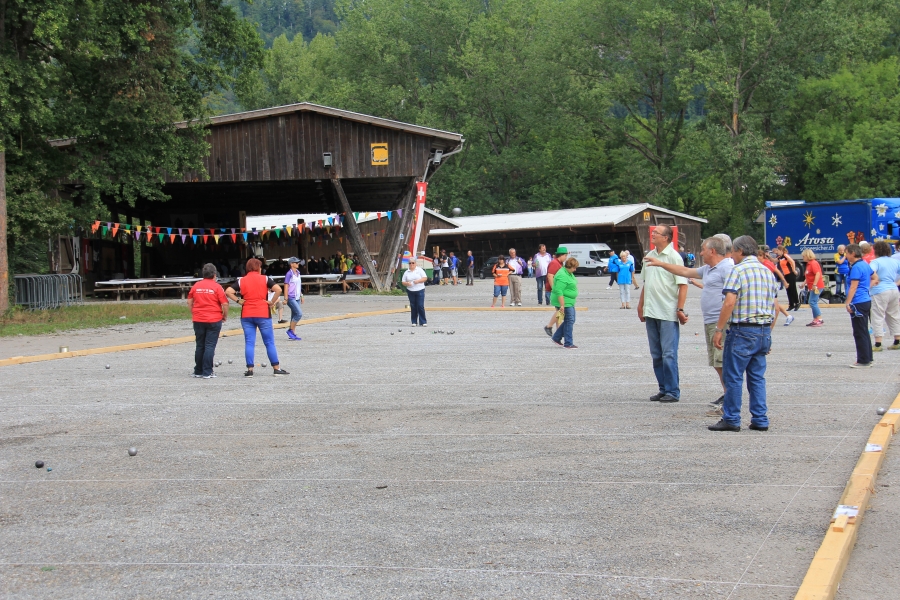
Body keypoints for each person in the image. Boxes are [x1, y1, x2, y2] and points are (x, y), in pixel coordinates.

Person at [644, 236, 733, 411]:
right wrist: (661, 264)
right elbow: (684, 272)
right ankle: (727, 393)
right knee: (717, 362)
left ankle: (730, 397)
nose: (700, 253)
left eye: (703, 250)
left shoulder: (727, 267)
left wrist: (721, 326)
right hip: (711, 321)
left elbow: (732, 297)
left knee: (722, 360)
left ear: (712, 251)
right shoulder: (709, 268)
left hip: (721, 321)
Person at [709, 235, 777, 432]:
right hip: (763, 329)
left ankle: (731, 417)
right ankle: (760, 418)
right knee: (757, 377)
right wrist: (768, 333)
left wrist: (719, 329)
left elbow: (729, 302)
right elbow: (774, 306)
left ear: (739, 251)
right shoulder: (767, 271)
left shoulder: (737, 271)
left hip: (742, 329)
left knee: (734, 376)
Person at [637, 225, 688, 403]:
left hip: (667, 311)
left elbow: (683, 285)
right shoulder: (649, 256)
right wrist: (641, 304)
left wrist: (680, 309)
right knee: (656, 354)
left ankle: (673, 391)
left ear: (666, 238)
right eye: (653, 232)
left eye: (656, 233)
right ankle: (663, 388)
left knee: (669, 354)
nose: (653, 234)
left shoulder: (674, 257)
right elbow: (646, 282)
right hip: (651, 310)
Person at [224, 258, 289, 378]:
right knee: (269, 342)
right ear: (258, 268)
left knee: (249, 342)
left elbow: (228, 291)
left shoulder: (241, 280)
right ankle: (276, 368)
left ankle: (250, 370)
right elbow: (278, 289)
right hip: (263, 313)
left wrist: (238, 300)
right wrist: (271, 302)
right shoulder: (264, 279)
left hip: (247, 314)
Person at [187, 263, 228, 379]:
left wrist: (193, 312)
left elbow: (189, 301)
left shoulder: (196, 286)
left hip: (198, 318)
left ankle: (198, 370)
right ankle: (207, 371)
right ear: (215, 275)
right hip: (214, 319)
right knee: (210, 345)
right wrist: (224, 315)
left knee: (200, 345)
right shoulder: (217, 287)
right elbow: (225, 304)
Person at [845, 244, 876, 368]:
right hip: (865, 300)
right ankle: (868, 357)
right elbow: (875, 277)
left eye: (847, 253)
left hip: (858, 302)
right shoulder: (865, 264)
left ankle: (863, 360)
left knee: (859, 331)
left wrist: (848, 302)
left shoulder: (856, 267)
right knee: (864, 330)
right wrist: (867, 288)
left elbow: (853, 286)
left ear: (853, 253)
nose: (846, 256)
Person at [869, 241, 900, 352]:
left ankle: (878, 343)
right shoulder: (894, 261)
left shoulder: (875, 262)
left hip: (880, 290)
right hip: (893, 289)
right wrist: (896, 283)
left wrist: (875, 280)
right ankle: (897, 340)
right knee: (894, 315)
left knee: (877, 315)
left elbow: (871, 272)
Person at [550, 257, 579, 349]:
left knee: (570, 320)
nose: (575, 269)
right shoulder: (562, 275)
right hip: (565, 302)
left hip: (569, 301)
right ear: (569, 266)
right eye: (574, 268)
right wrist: (562, 305)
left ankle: (556, 337)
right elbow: (559, 291)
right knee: (569, 321)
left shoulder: (568, 273)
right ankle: (568, 343)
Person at [758, 249, 792, 325]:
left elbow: (777, 271)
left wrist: (784, 282)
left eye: (759, 256)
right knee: (774, 304)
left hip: (770, 286)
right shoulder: (761, 264)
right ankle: (788, 316)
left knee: (775, 307)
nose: (758, 258)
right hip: (766, 286)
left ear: (762, 256)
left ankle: (771, 325)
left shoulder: (767, 264)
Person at [543, 247, 568, 335]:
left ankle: (558, 331)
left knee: (560, 311)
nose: (566, 257)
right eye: (565, 255)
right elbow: (550, 276)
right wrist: (554, 289)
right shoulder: (554, 263)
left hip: (557, 290)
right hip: (555, 290)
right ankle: (549, 326)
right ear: (561, 255)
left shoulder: (560, 263)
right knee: (560, 310)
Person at [801, 249, 825, 327]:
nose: (802, 257)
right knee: (812, 302)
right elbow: (808, 276)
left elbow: (818, 274)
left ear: (808, 256)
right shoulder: (809, 264)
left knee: (812, 302)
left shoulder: (813, 263)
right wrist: (804, 283)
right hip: (812, 286)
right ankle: (815, 319)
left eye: (803, 256)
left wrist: (814, 284)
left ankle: (819, 318)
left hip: (816, 286)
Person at [401, 256, 428, 326]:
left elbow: (425, 278)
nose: (411, 264)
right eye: (410, 263)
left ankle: (423, 321)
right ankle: (414, 321)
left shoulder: (419, 270)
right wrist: (407, 283)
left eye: (413, 263)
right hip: (410, 290)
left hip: (420, 290)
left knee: (420, 305)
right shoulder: (406, 272)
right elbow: (403, 281)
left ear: (415, 263)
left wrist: (418, 281)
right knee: (413, 306)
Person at [284, 257, 304, 341]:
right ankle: (290, 330)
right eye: (296, 263)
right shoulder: (289, 274)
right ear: (291, 264)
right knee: (299, 314)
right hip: (291, 297)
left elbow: (299, 286)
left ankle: (293, 333)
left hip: (297, 297)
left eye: (298, 263)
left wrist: (301, 295)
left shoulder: (298, 273)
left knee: (294, 315)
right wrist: (286, 298)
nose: (298, 264)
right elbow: (286, 285)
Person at [774, 246, 799, 310]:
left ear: (781, 250)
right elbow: (774, 261)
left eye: (778, 251)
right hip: (785, 274)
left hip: (790, 273)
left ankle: (797, 302)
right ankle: (791, 304)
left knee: (792, 288)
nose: (777, 252)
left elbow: (792, 262)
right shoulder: (780, 257)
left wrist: (793, 270)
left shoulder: (785, 255)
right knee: (788, 289)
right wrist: (767, 256)